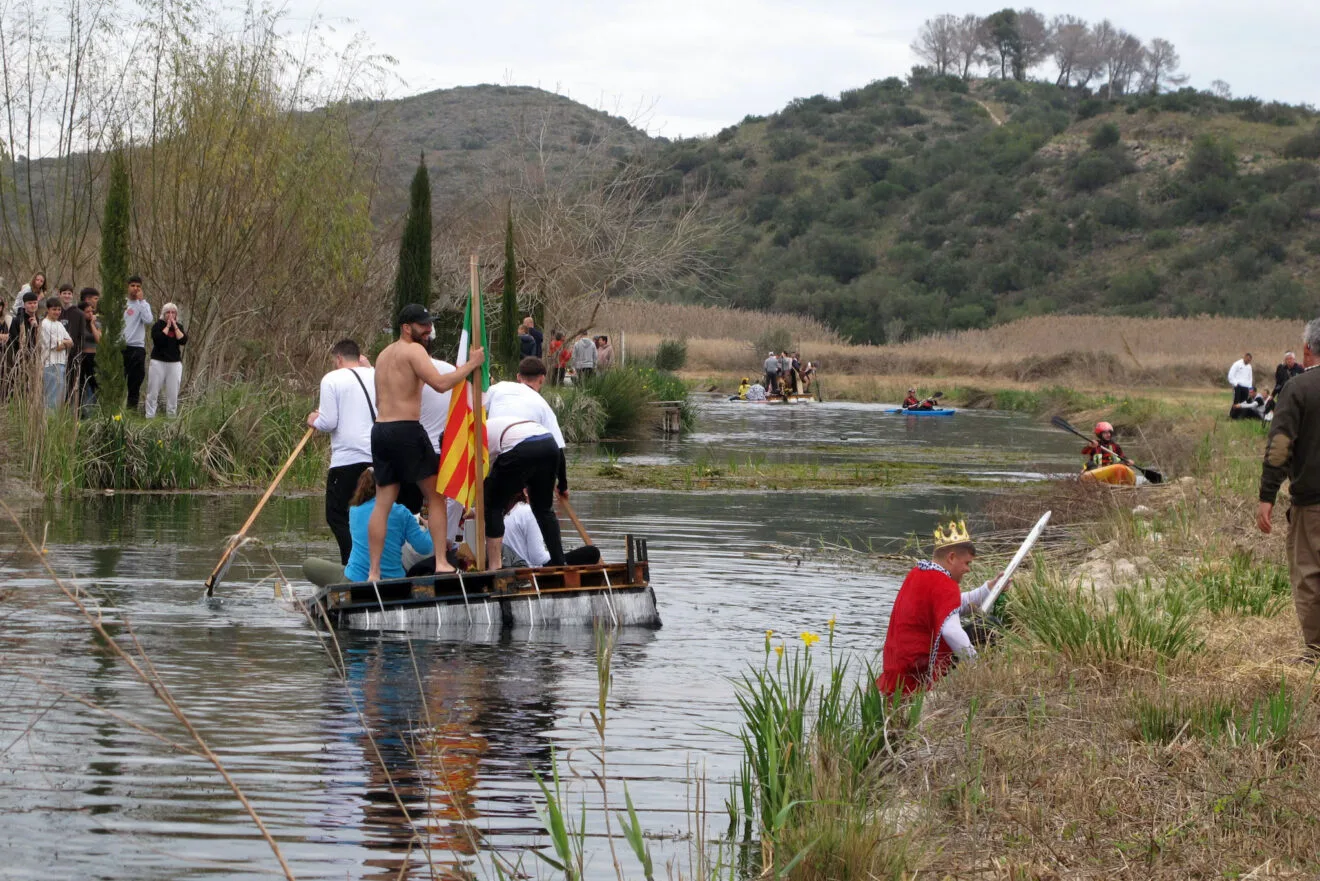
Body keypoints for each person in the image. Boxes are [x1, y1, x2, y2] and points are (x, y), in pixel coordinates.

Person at [366, 304, 484, 581]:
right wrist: (472, 364)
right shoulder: (413, 350)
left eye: (430, 323)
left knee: (382, 502)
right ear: (406, 328)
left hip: (381, 430)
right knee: (436, 496)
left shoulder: (383, 355)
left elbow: (378, 400)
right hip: (406, 430)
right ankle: (441, 562)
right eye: (422, 325)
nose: (428, 329)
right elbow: (441, 384)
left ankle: (373, 572)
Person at [878, 520, 1007, 696]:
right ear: (951, 557)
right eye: (967, 563)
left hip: (897, 671)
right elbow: (951, 631)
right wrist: (977, 668)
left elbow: (951, 606)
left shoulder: (919, 573)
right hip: (916, 672)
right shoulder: (945, 584)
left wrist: (989, 588)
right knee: (989, 627)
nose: (968, 569)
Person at [1258, 318, 1320, 660]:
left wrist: (1267, 495)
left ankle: (1315, 653)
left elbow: (1280, 446)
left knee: (1310, 575)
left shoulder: (1298, 389)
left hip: (1313, 503)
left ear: (1308, 349)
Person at [483, 356, 569, 569]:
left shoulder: (498, 388)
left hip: (514, 447)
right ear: (542, 379)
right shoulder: (542, 403)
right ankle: (560, 564)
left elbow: (477, 402)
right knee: (543, 510)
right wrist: (563, 485)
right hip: (545, 444)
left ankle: (494, 567)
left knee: (492, 504)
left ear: (518, 377)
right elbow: (558, 447)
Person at [308, 339, 377, 565]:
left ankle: (351, 565)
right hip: (376, 458)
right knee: (369, 513)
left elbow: (329, 422)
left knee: (337, 516)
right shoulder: (374, 374)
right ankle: (371, 565)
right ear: (359, 357)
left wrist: (314, 420)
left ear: (338, 359)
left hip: (347, 459)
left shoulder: (332, 378)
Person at [342, 469, 433, 582]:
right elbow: (425, 548)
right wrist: (431, 528)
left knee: (315, 564)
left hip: (354, 577)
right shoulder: (401, 512)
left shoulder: (354, 510)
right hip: (393, 580)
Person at [501, 490, 600, 567]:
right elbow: (538, 558)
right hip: (531, 569)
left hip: (518, 565)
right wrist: (558, 555)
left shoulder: (510, 512)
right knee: (592, 552)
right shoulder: (529, 512)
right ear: (526, 492)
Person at [144, 303, 187, 417]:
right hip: (158, 362)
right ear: (164, 313)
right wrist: (167, 326)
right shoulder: (158, 325)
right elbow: (158, 340)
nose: (171, 315)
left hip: (174, 363)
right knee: (153, 392)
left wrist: (175, 326)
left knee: (173, 394)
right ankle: (150, 416)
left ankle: (171, 417)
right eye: (168, 312)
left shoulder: (179, 326)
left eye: (173, 312)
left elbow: (183, 340)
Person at [121, 275, 153, 410]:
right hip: (121, 348)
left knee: (135, 384)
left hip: (137, 348)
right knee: (118, 384)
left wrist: (141, 302)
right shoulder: (120, 303)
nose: (135, 288)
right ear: (128, 287)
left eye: (138, 286)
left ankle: (131, 413)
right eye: (133, 285)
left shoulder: (143, 305)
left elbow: (148, 320)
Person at [38, 296, 72, 410]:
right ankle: (49, 422)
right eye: (54, 309)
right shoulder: (44, 324)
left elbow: (71, 342)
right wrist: (63, 343)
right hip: (50, 364)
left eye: (59, 309)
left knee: (60, 397)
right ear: (48, 309)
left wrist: (62, 343)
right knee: (51, 397)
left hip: (62, 362)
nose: (57, 312)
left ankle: (57, 422)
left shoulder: (59, 324)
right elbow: (56, 346)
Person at [71, 288, 101, 415]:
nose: (90, 313)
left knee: (95, 384)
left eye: (91, 311)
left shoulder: (96, 323)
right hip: (81, 355)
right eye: (87, 312)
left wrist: (93, 324)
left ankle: (96, 410)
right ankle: (79, 412)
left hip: (93, 356)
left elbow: (98, 339)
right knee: (81, 384)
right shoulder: (78, 323)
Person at [1228, 352, 1253, 419]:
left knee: (1243, 402)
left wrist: (1250, 389)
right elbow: (1230, 375)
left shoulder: (1249, 367)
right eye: (1247, 359)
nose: (1248, 361)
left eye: (1249, 360)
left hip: (1246, 387)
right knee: (1236, 401)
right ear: (1244, 357)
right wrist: (1235, 384)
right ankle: (1232, 416)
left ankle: (1239, 416)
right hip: (1238, 386)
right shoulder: (1237, 364)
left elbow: (1250, 378)